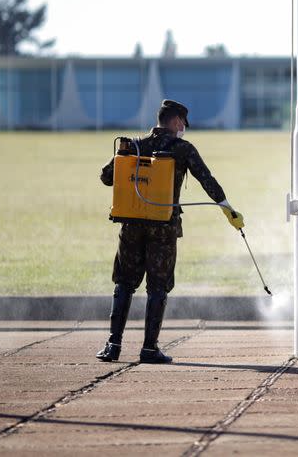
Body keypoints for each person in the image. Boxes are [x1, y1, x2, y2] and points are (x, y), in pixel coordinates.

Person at [96, 99, 243, 364]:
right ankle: (149, 349)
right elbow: (207, 180)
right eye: (183, 124)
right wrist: (227, 209)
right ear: (176, 122)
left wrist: (128, 158)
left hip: (131, 225)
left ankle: (112, 346)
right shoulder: (182, 149)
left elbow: (106, 177)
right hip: (163, 228)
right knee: (158, 287)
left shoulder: (135, 144)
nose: (183, 128)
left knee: (124, 284)